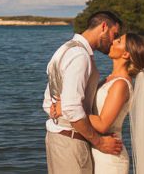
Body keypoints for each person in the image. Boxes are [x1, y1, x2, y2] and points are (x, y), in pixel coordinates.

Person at [50, 33, 144, 174]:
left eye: (119, 40)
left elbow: (103, 124)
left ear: (126, 54)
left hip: (110, 158)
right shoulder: (109, 79)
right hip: (97, 150)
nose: (113, 41)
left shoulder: (121, 85)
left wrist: (67, 108)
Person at [43, 10, 124, 173]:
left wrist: (60, 111)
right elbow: (71, 107)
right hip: (71, 142)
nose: (113, 41)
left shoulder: (65, 49)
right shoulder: (80, 56)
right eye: (114, 34)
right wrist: (99, 143)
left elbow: (47, 103)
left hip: (58, 139)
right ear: (103, 27)